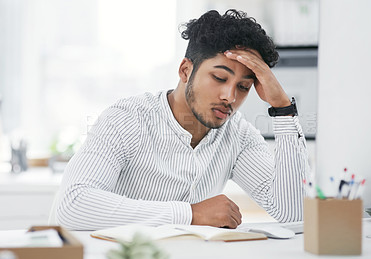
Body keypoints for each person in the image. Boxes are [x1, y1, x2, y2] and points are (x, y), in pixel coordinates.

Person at [56, 9, 309, 230]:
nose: (229, 96)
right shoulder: (126, 120)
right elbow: (73, 204)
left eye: (243, 87)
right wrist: (191, 214)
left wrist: (282, 108)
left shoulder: (239, 136)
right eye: (220, 78)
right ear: (185, 70)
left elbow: (296, 214)